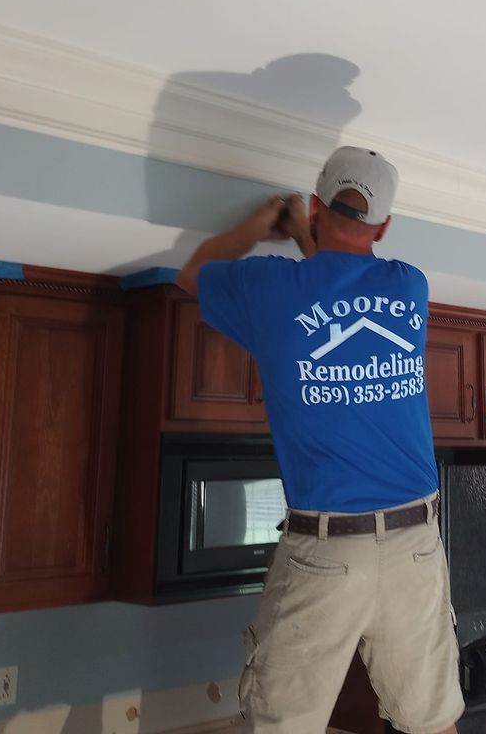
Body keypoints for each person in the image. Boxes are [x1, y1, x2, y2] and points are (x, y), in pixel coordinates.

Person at [176, 146, 464, 734]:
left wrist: (259, 227)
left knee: (282, 725)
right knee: (432, 723)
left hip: (328, 551)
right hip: (416, 543)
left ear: (314, 204)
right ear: (384, 225)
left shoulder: (270, 288)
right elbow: (337, 290)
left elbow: (192, 274)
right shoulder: (409, 288)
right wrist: (312, 236)